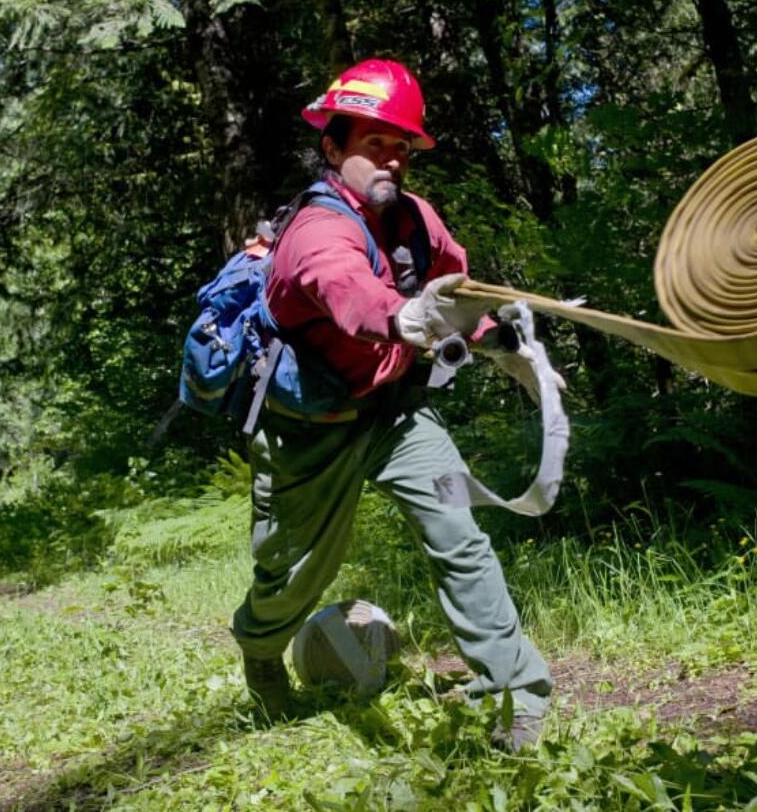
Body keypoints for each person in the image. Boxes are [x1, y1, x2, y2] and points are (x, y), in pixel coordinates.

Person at [231, 59, 560, 752]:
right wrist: (403, 318)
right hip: (309, 430)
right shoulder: (315, 231)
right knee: (292, 573)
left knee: (458, 533)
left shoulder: (416, 219)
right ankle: (261, 648)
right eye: (373, 143)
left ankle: (514, 695)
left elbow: (456, 292)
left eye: (401, 146)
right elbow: (346, 290)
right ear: (332, 148)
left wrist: (501, 340)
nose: (390, 158)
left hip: (394, 414)